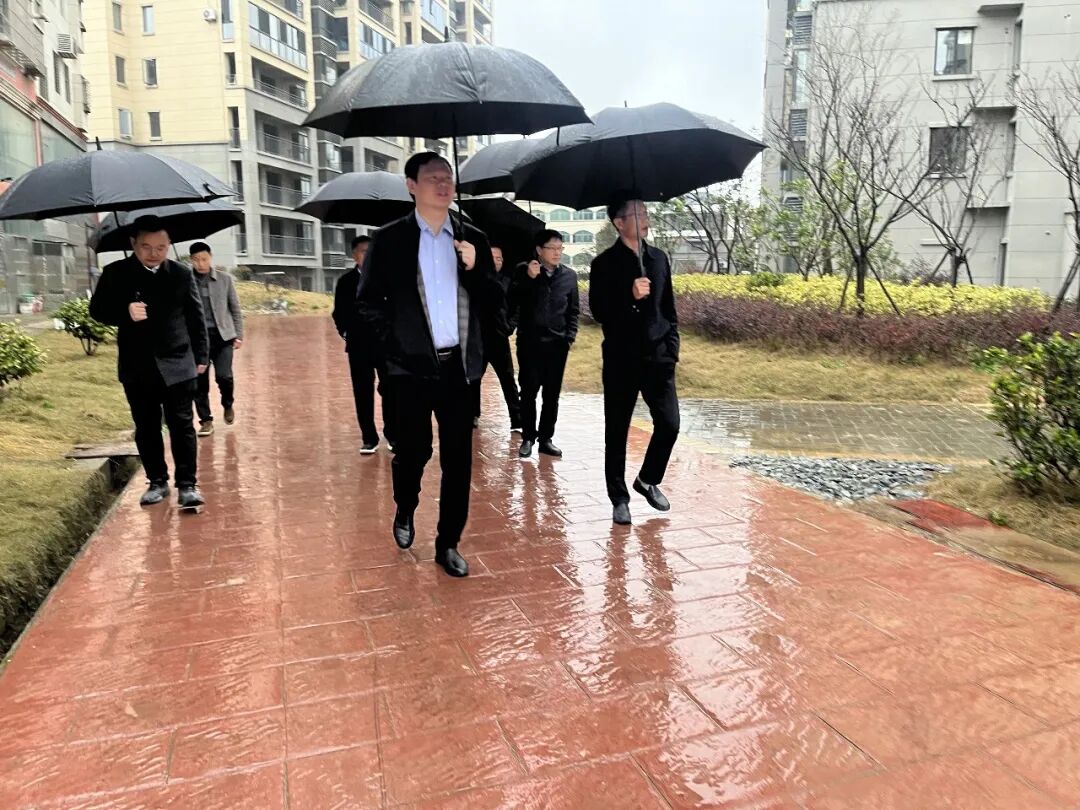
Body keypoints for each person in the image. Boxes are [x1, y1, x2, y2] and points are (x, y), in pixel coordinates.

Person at [357, 152, 502, 577]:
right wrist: (394, 347)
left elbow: (494, 303)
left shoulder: (472, 237)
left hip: (458, 368)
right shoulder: (390, 239)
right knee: (413, 451)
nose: (443, 184)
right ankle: (405, 505)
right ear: (411, 186)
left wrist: (476, 268)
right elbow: (367, 303)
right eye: (432, 177)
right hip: (408, 369)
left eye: (447, 177)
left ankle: (448, 543)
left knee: (459, 459)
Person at [89, 215, 209, 508]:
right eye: (146, 247)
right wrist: (125, 311)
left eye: (161, 247)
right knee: (146, 426)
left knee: (182, 425)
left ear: (169, 245)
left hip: (178, 362)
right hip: (137, 365)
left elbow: (196, 318)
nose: (154, 253)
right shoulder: (115, 272)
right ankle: (157, 481)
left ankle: (187, 484)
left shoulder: (181, 274)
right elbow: (97, 310)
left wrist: (202, 357)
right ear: (133, 244)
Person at [589, 196, 680, 525]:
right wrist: (629, 296)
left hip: (658, 357)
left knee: (669, 424)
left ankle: (647, 479)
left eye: (645, 212)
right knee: (617, 431)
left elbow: (668, 307)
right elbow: (599, 311)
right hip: (621, 359)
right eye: (637, 214)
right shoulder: (604, 264)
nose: (645, 219)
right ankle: (619, 498)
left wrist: (672, 349)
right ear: (619, 222)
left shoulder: (658, 258)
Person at [511, 229, 579, 459]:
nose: (557, 253)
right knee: (528, 392)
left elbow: (573, 311)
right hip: (530, 344)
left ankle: (546, 439)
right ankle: (528, 437)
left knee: (552, 395)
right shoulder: (524, 271)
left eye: (560, 248)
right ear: (539, 250)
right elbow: (512, 299)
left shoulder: (569, 276)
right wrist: (529, 279)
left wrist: (569, 337)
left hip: (557, 345)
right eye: (552, 248)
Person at [332, 235, 394, 454]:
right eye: (363, 251)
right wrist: (346, 332)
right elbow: (338, 312)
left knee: (391, 389)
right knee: (362, 392)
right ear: (354, 255)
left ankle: (393, 433)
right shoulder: (345, 282)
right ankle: (369, 438)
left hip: (385, 345)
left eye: (371, 251)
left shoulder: (386, 278)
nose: (367, 255)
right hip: (358, 346)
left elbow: (395, 309)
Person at [189, 242, 244, 437]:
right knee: (199, 383)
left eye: (204, 259)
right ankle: (206, 421)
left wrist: (239, 335)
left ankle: (228, 404)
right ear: (191, 260)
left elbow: (235, 309)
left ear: (210, 257)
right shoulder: (186, 281)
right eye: (196, 260)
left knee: (224, 376)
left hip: (223, 337)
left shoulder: (225, 279)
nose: (201, 263)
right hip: (197, 341)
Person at [471, 243, 521, 433]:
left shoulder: (508, 282)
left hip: (499, 338)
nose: (496, 261)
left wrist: (510, 326)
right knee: (474, 378)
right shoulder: (475, 280)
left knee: (507, 379)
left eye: (499, 258)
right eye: (492, 257)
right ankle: (473, 414)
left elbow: (517, 307)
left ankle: (517, 419)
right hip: (478, 338)